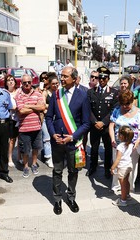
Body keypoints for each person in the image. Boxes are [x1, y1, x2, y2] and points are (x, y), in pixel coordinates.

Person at [46, 66, 91, 215]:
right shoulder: (56, 94)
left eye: (65, 76)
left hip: (73, 142)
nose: (62, 79)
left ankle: (71, 197)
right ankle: (57, 199)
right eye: (61, 76)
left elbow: (86, 123)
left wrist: (73, 136)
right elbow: (48, 118)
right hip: (58, 141)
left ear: (74, 78)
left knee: (73, 171)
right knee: (57, 171)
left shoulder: (82, 96)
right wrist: (53, 134)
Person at [109, 90, 140, 192]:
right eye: (122, 104)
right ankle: (116, 186)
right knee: (117, 164)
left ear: (132, 101)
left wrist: (138, 141)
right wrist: (112, 139)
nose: (125, 106)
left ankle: (129, 188)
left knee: (132, 166)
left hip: (133, 145)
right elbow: (111, 125)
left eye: (127, 104)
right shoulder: (116, 110)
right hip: (117, 144)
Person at [86, 66, 118, 178]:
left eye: (104, 78)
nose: (102, 80)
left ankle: (107, 168)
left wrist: (103, 122)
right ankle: (92, 167)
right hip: (94, 126)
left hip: (107, 126)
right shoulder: (91, 92)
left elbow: (114, 110)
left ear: (108, 79)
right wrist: (95, 122)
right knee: (94, 149)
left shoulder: (114, 93)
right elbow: (88, 109)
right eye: (100, 78)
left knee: (108, 148)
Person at [15, 74, 45, 178]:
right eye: (24, 83)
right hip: (24, 128)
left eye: (29, 82)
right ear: (21, 84)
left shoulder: (37, 94)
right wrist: (35, 108)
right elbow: (21, 110)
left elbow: (42, 106)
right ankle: (26, 166)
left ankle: (34, 164)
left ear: (32, 82)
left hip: (36, 127)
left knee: (36, 148)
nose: (27, 84)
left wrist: (28, 105)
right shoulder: (18, 96)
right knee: (25, 150)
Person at [111, 126, 134, 207]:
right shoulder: (131, 144)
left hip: (122, 167)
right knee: (126, 181)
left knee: (122, 185)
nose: (117, 134)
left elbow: (118, 159)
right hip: (129, 165)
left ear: (121, 136)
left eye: (118, 133)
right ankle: (127, 195)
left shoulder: (120, 146)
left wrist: (112, 167)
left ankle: (123, 200)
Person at [41, 72, 59, 168]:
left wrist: (50, 107)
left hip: (57, 119)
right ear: (49, 84)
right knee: (47, 139)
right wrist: (53, 107)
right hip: (46, 119)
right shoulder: (45, 93)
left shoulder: (60, 93)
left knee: (56, 138)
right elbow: (43, 106)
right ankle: (48, 158)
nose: (55, 85)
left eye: (57, 83)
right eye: (53, 84)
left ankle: (56, 156)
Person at [4, 74, 19, 168]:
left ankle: (19, 157)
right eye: (8, 80)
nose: (10, 81)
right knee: (12, 140)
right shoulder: (4, 93)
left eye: (12, 80)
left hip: (19, 118)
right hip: (9, 119)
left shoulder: (19, 92)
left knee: (20, 138)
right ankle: (9, 158)